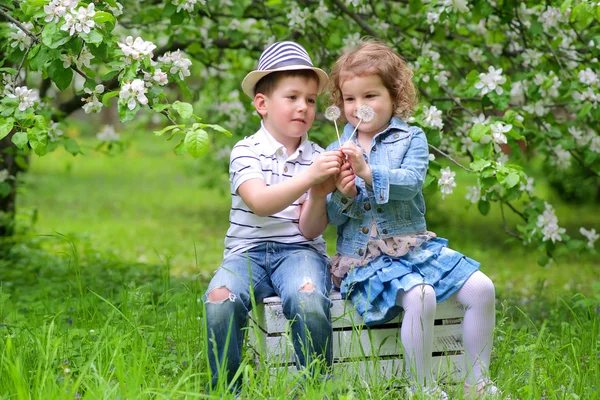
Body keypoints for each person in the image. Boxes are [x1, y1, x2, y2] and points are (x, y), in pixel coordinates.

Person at [325, 40, 500, 399]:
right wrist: (345, 193)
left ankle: (476, 382)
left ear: (395, 95)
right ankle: (423, 388)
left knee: (482, 289)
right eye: (350, 99)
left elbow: (409, 184)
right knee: (421, 296)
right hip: (366, 258)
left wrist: (369, 172)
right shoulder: (335, 149)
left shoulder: (412, 138)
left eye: (370, 96)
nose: (359, 108)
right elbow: (329, 217)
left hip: (412, 247)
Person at [203, 41, 343, 392]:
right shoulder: (245, 151)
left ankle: (314, 387)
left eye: (310, 100)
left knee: (308, 297)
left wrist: (320, 191)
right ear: (262, 104)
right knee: (220, 300)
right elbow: (260, 202)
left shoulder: (319, 155)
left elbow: (310, 229)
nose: (303, 107)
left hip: (299, 252)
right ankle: (226, 389)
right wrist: (309, 178)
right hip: (245, 253)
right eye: (292, 97)